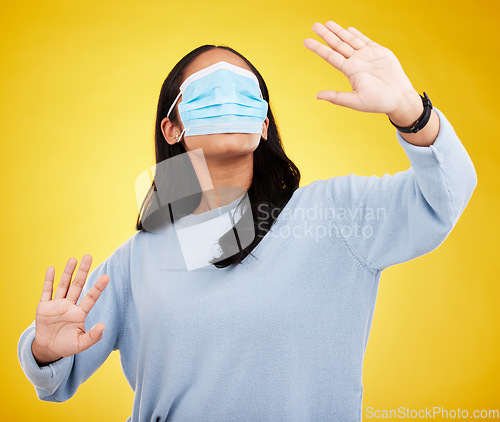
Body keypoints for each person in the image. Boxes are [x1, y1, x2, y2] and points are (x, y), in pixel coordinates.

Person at [17, 20, 477, 421]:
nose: (226, 97)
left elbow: (445, 194)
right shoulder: (138, 258)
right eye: (205, 90)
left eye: (243, 91)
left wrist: (412, 113)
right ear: (172, 128)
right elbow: (55, 375)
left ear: (262, 122)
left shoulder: (335, 215)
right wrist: (44, 348)